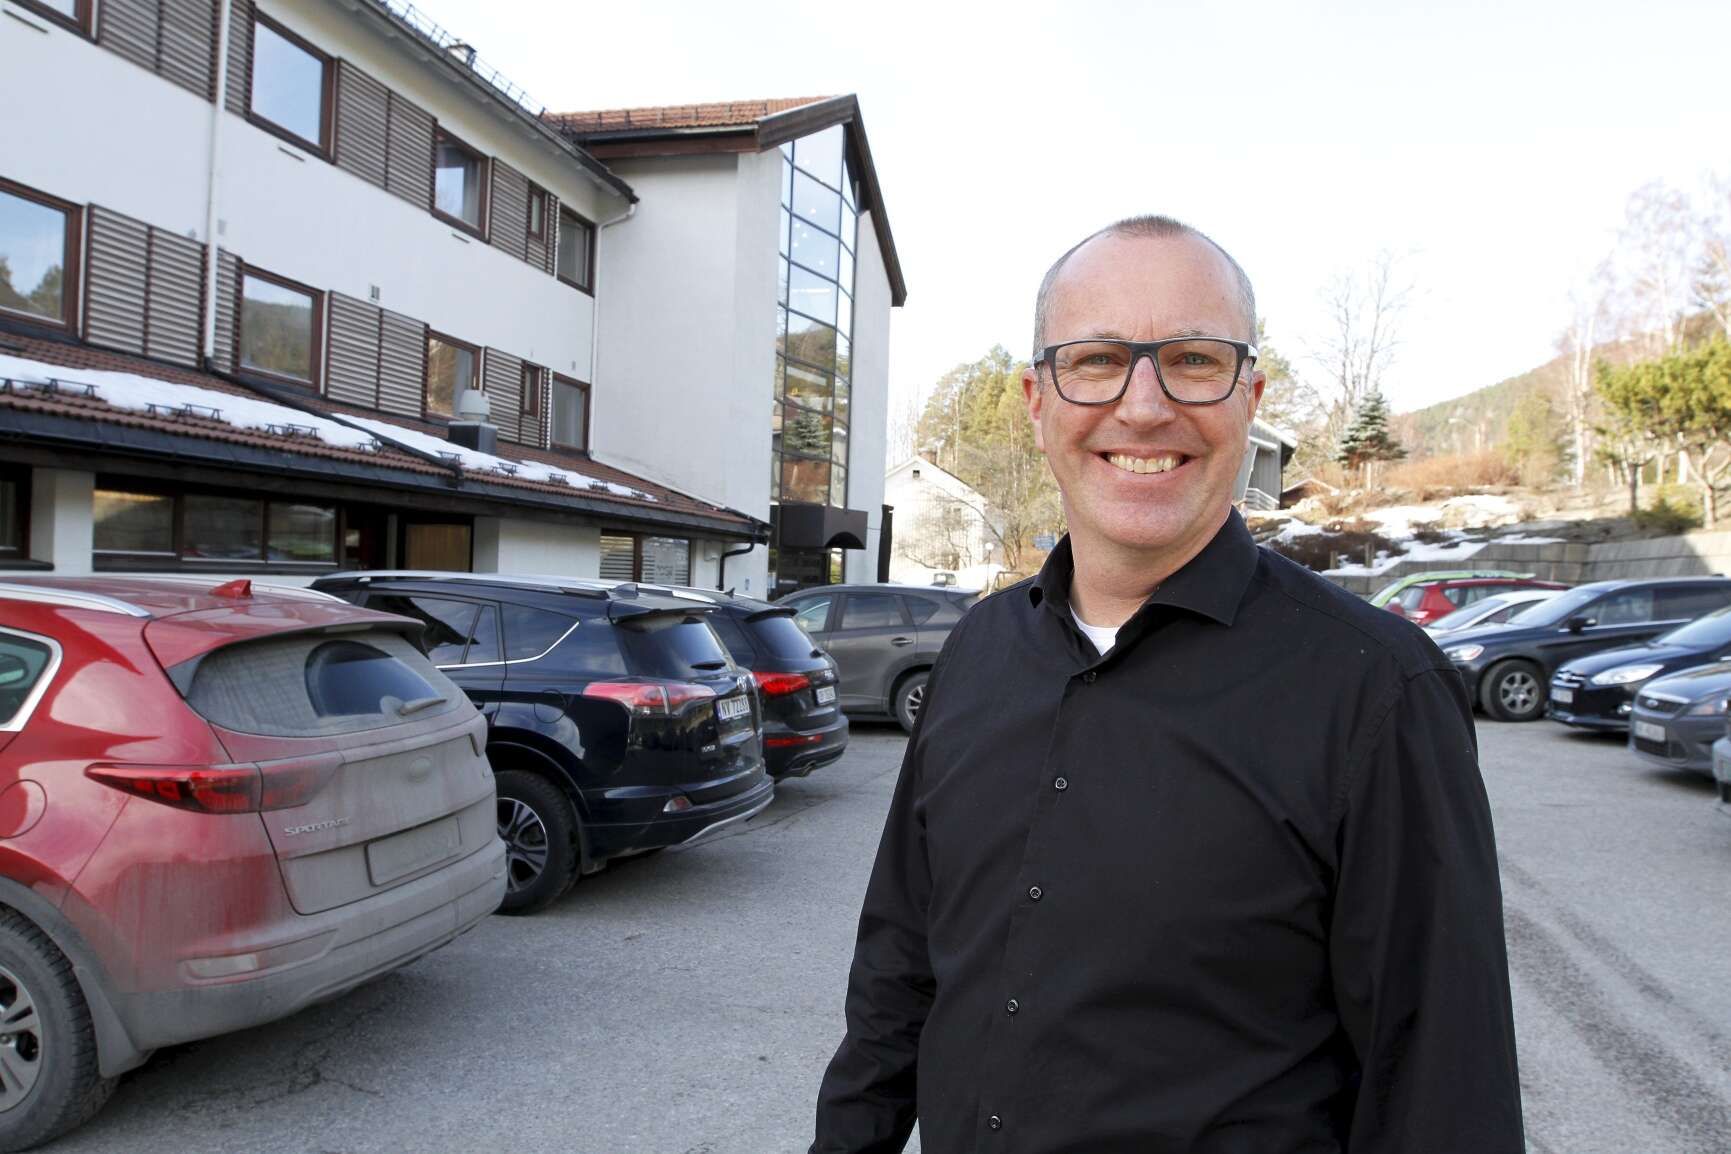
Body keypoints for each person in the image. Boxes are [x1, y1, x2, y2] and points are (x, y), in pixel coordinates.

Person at [809, 216, 1524, 1153]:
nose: (1143, 408)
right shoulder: (978, 650)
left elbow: (1440, 1086)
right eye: (1097, 360)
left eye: (1192, 360)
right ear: (1035, 400)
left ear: (1249, 397)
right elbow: (899, 968)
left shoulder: (1377, 691)